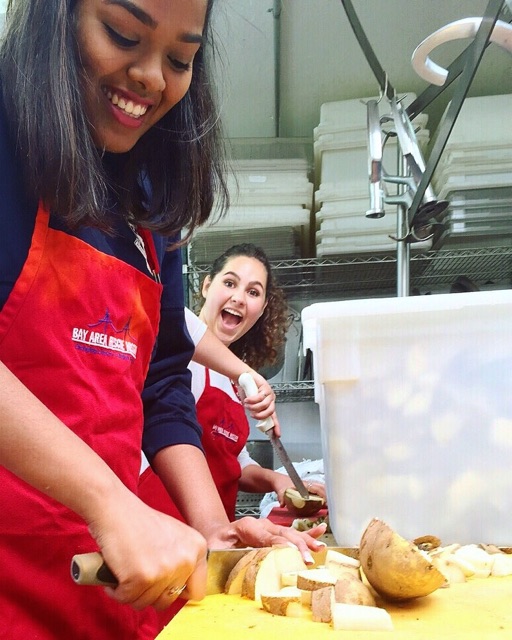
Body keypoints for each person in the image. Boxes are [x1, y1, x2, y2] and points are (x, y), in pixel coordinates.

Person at [0, 2, 324, 638]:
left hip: (111, 580)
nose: (152, 77)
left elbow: (161, 379)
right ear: (56, 18)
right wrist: (109, 502)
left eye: (180, 59)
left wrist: (211, 527)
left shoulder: (151, 205)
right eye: (123, 34)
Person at [139, 243, 326, 538]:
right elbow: (173, 318)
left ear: (262, 309)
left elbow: (236, 463)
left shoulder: (232, 381)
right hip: (165, 532)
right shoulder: (176, 355)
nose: (238, 298)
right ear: (206, 286)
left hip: (216, 535)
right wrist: (248, 373)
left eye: (253, 292)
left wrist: (278, 481)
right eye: (229, 283)